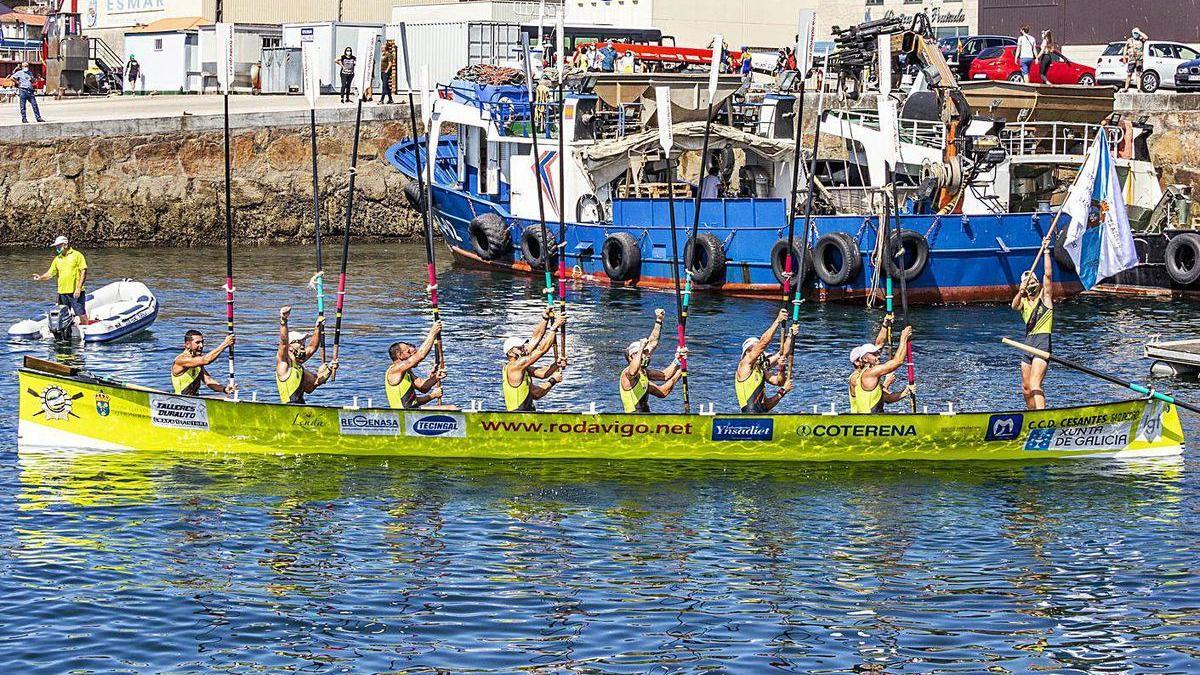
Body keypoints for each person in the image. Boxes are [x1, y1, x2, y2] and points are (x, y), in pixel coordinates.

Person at [1012, 241, 1054, 409]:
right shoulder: (1023, 301)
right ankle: (1031, 416)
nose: (1032, 285)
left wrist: (1045, 252)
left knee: (1036, 384)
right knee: (1026, 387)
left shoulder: (1045, 298)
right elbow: (1014, 306)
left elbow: (1048, 276)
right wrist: (1020, 292)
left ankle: (1041, 418)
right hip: (1028, 343)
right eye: (1028, 283)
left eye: (1033, 282)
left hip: (1042, 342)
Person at [619, 308, 685, 413]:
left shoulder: (644, 374)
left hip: (646, 419)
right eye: (643, 353)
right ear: (632, 357)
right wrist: (641, 348)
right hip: (632, 422)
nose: (647, 356)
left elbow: (664, 380)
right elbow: (633, 371)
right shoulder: (627, 374)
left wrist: (679, 362)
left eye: (646, 353)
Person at [502, 310, 566, 411]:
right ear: (510, 353)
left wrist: (545, 319)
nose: (523, 348)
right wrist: (554, 328)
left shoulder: (523, 369)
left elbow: (535, 338)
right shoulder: (515, 367)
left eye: (523, 346)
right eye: (519, 347)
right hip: (518, 418)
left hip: (527, 417)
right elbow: (541, 350)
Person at [847, 319, 915, 413]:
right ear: (860, 361)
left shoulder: (868, 372)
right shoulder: (862, 375)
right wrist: (903, 338)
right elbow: (898, 361)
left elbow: (879, 345)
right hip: (866, 420)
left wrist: (885, 325)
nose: (878, 355)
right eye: (874, 354)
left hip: (874, 417)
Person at [735, 308, 796, 413]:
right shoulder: (744, 365)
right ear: (747, 353)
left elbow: (779, 381)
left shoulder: (761, 368)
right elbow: (763, 343)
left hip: (762, 417)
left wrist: (791, 335)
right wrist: (778, 320)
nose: (761, 353)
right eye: (756, 349)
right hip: (750, 418)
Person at [276, 305, 334, 404]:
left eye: (304, 341)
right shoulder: (284, 362)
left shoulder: (298, 366)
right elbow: (283, 343)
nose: (303, 344)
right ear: (290, 346)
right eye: (299, 342)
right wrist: (283, 321)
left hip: (301, 409)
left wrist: (329, 369)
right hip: (288, 409)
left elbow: (312, 348)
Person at [385, 321, 447, 409]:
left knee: (450, 408)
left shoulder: (407, 372)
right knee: (452, 408)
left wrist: (436, 377)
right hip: (403, 415)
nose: (413, 355)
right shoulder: (396, 369)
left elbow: (424, 388)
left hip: (411, 412)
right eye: (409, 352)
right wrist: (432, 333)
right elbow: (421, 355)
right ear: (399, 355)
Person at [32, 235, 89, 325]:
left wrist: (78, 288)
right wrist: (40, 277)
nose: (57, 248)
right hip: (62, 293)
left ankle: (86, 328)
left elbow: (83, 271)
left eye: (59, 246)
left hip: (76, 292)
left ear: (65, 245)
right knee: (63, 313)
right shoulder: (57, 259)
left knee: (81, 313)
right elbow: (50, 273)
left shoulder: (77, 255)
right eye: (56, 246)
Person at [171, 330, 237, 396]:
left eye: (202, 342)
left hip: (195, 400)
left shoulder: (197, 362)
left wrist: (224, 389)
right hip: (181, 401)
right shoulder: (181, 360)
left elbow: (208, 381)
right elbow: (206, 360)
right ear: (187, 344)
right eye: (197, 342)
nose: (201, 345)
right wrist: (225, 344)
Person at [1123, 28, 1147, 92]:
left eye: (1137, 33)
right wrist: (1124, 57)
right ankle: (1126, 88)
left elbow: (1146, 37)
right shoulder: (1129, 40)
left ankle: (1139, 89)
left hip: (1139, 59)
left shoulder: (1141, 39)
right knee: (1129, 74)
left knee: (1138, 74)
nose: (1136, 34)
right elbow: (1125, 48)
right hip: (1131, 59)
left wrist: (1139, 32)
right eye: (1135, 33)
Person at [379, 39, 397, 105]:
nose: (381, 49)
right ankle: (390, 99)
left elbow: (390, 63)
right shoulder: (383, 55)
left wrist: (387, 70)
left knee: (384, 86)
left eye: (382, 48)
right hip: (382, 71)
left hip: (386, 72)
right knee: (386, 86)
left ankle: (381, 100)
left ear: (385, 48)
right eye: (381, 48)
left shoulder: (389, 55)